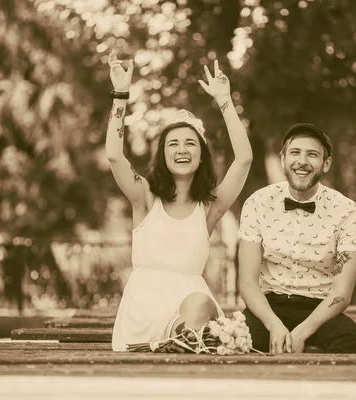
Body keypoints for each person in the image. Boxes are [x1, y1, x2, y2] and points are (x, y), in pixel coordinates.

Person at [105, 51, 253, 351]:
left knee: (199, 307)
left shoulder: (209, 206)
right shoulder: (144, 196)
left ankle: (184, 342)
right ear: (163, 155)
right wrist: (120, 95)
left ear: (201, 158)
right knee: (195, 328)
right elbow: (113, 156)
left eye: (190, 143)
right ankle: (174, 345)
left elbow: (245, 158)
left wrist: (225, 100)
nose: (182, 149)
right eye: (173, 144)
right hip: (144, 307)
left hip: (190, 306)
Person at [237, 123, 356, 354]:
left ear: (326, 164)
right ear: (283, 159)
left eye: (313, 154)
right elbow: (247, 282)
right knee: (240, 339)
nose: (302, 161)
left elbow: (342, 293)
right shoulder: (258, 202)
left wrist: (304, 330)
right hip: (269, 306)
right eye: (295, 152)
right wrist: (273, 324)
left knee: (347, 338)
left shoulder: (346, 210)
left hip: (320, 308)